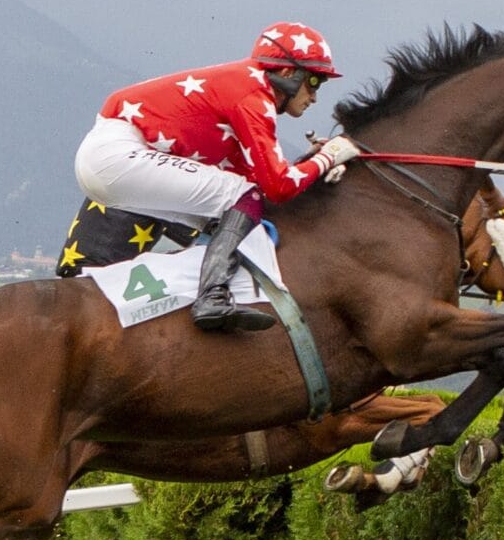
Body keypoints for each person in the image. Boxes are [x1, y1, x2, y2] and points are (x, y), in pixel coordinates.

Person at [74, 23, 360, 332]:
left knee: (231, 213)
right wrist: (329, 156)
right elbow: (278, 187)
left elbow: (262, 180)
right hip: (116, 155)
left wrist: (314, 165)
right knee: (245, 197)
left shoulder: (241, 88)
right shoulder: (254, 94)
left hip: (107, 159)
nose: (314, 97)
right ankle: (212, 296)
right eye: (314, 81)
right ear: (288, 73)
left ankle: (194, 296)